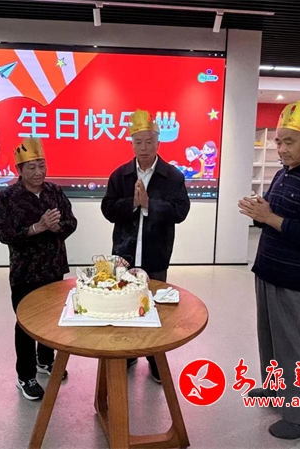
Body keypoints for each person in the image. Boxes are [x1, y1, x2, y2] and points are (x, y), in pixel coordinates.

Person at [238, 101, 300, 440]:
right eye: (278, 141)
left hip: (297, 278)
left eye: (289, 142)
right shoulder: (285, 172)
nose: (281, 149)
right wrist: (259, 212)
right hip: (268, 268)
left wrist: (269, 217)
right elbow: (275, 216)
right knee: (269, 338)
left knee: (295, 346)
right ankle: (276, 389)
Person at [101, 109, 190, 383]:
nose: (143, 147)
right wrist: (132, 203)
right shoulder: (121, 175)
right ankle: (128, 353)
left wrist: (151, 205)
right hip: (124, 254)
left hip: (156, 254)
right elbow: (107, 209)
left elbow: (181, 211)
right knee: (125, 304)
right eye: (138, 142)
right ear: (131, 144)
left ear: (158, 143)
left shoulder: (172, 176)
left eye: (149, 141)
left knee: (155, 307)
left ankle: (154, 358)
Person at [0, 137, 77, 401]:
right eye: (31, 167)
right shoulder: (6, 197)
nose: (39, 171)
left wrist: (57, 227)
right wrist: (37, 228)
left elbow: (71, 222)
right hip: (25, 272)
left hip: (54, 267)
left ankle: (46, 360)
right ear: (19, 169)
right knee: (26, 324)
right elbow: (6, 234)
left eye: (42, 165)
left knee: (52, 319)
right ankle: (26, 376)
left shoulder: (55, 191)